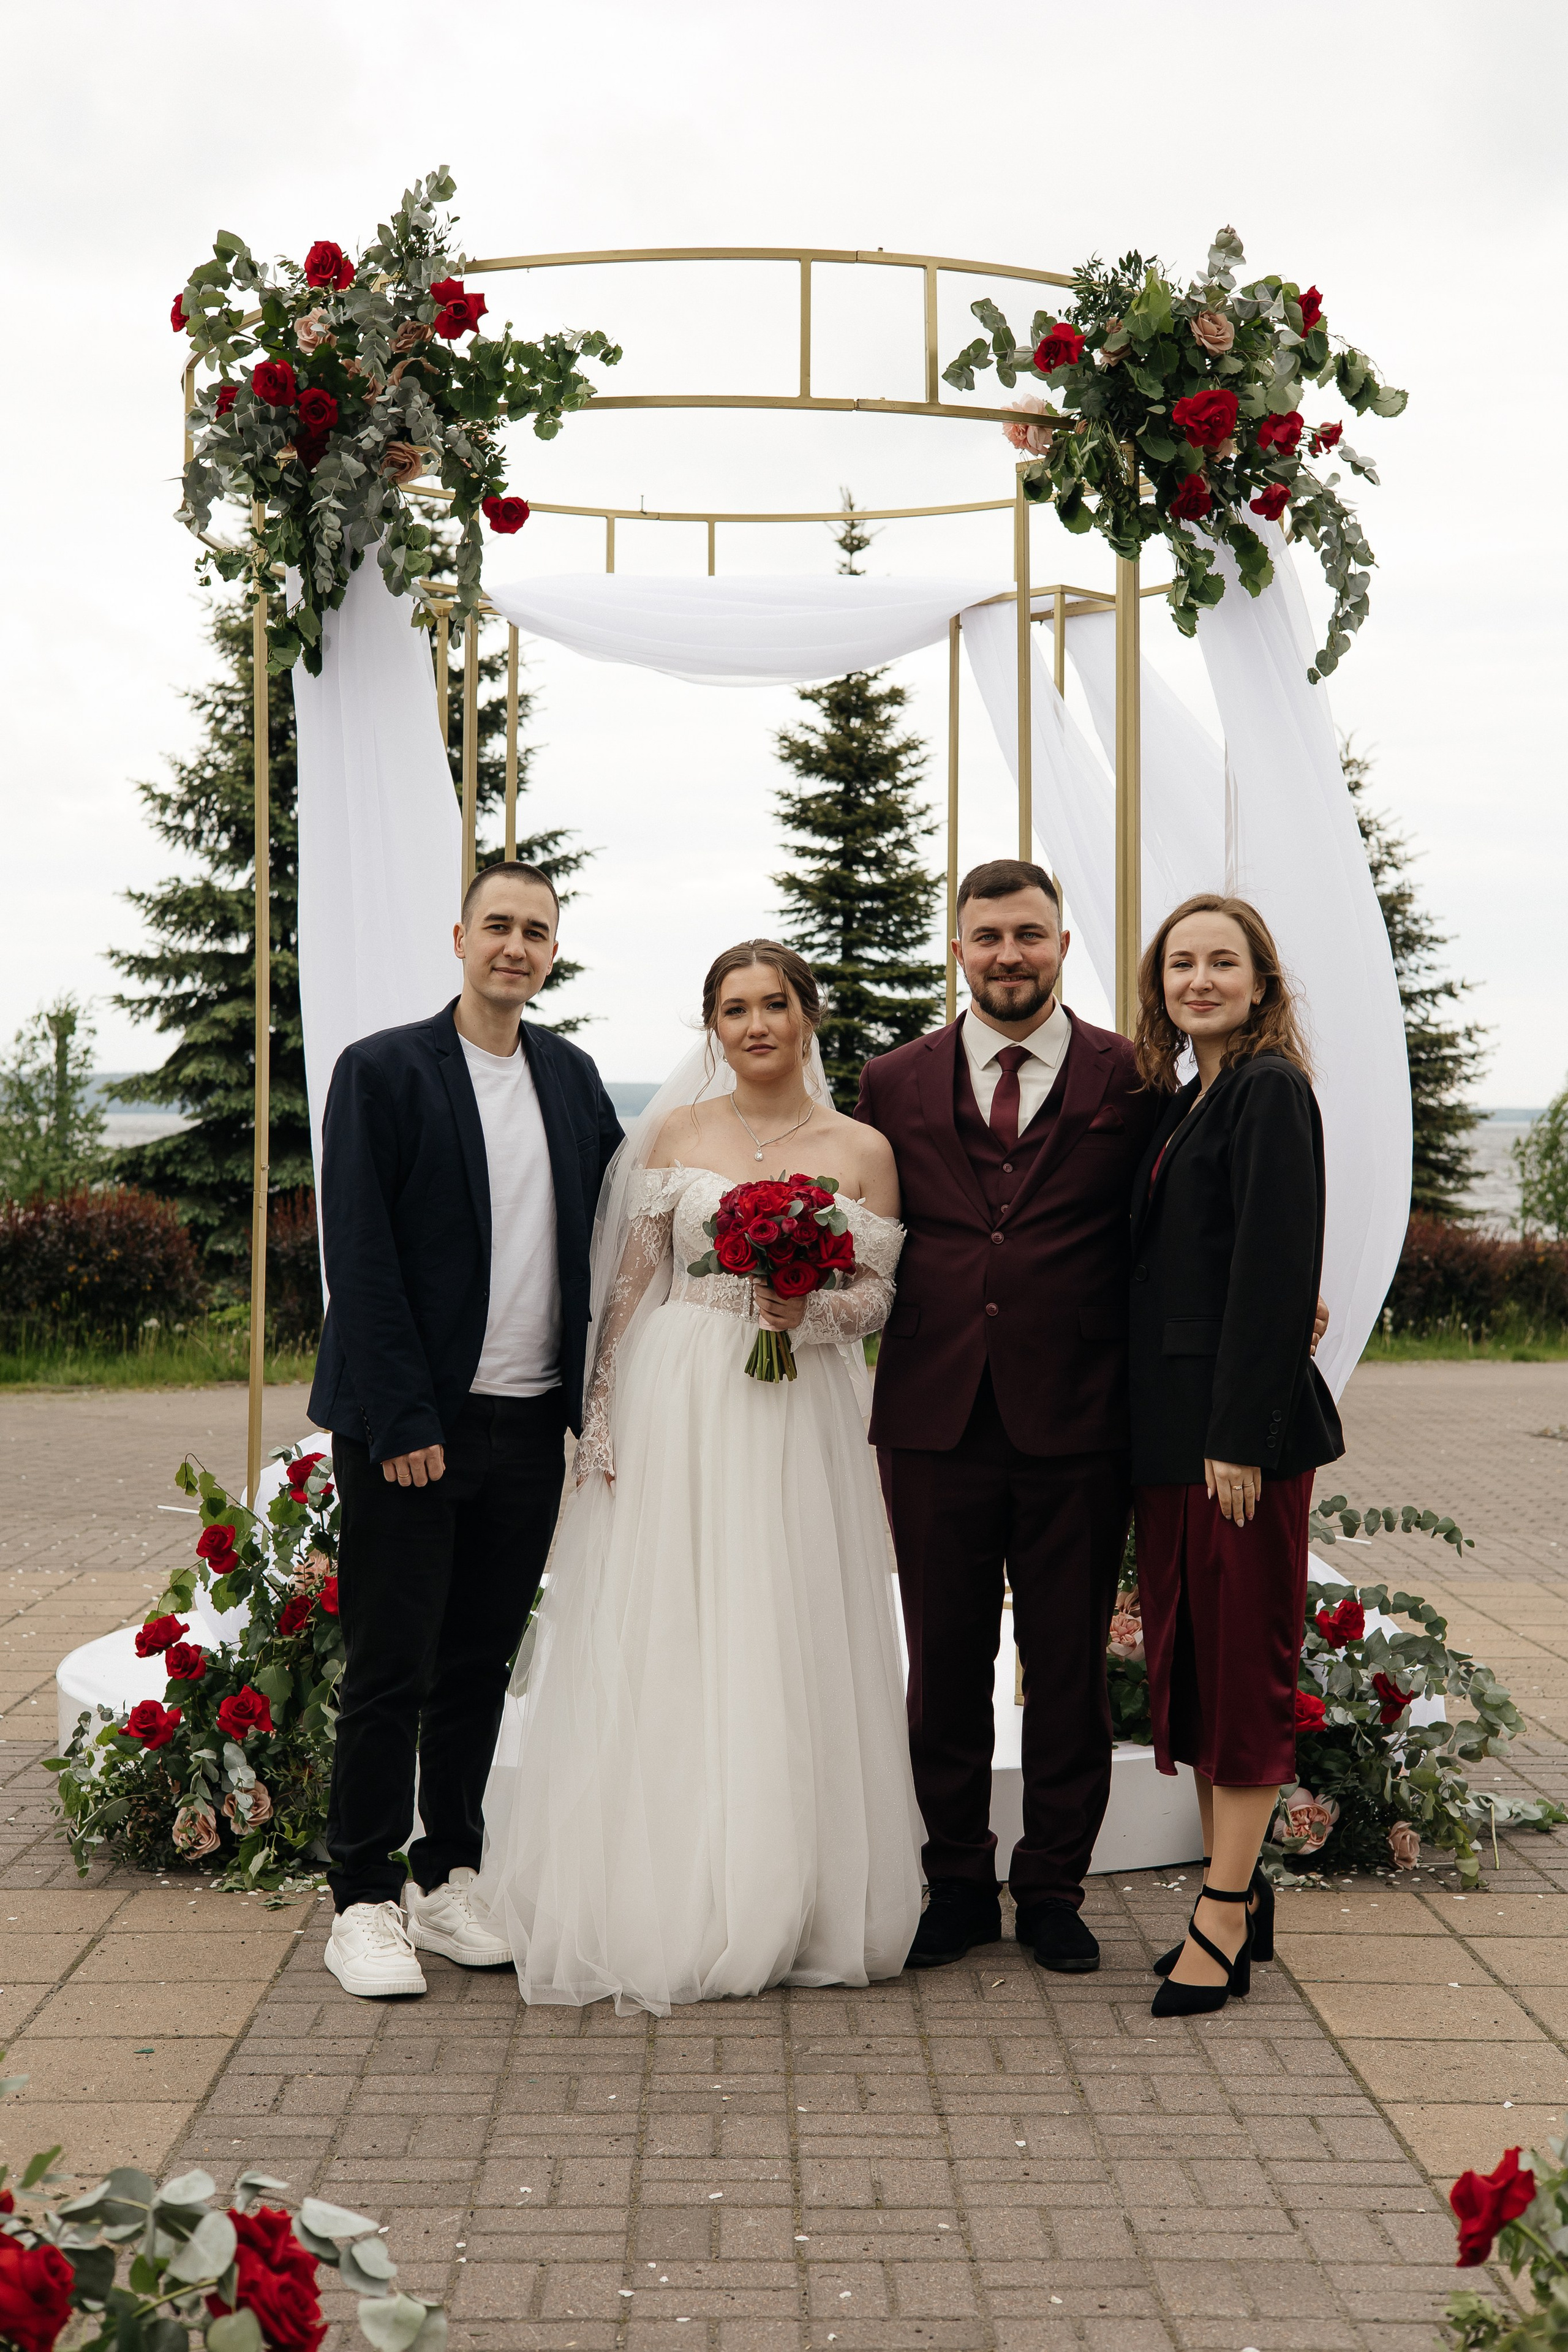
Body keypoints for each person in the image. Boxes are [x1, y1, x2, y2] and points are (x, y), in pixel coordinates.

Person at [475, 941, 922, 2015]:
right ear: (712, 1027)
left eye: (776, 1004)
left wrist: (806, 1309)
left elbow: (879, 1299)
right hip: (677, 1398)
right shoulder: (674, 1134)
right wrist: (600, 1420)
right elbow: (630, 1287)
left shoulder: (862, 1148)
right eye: (735, 1009)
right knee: (675, 1624)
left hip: (798, 1406)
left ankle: (789, 1889)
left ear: (808, 1016)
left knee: (784, 1621)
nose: (757, 1024)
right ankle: (666, 1883)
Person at [308, 862, 623, 1999]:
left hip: (530, 1422)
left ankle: (448, 1875)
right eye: (499, 925)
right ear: (459, 936)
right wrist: (399, 1417)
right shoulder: (385, 1070)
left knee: (478, 1663)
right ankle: (359, 1899)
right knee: (391, 1663)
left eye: (537, 932)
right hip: (415, 1426)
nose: (516, 947)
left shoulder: (573, 1076)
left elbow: (609, 1233)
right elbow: (362, 1255)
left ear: (552, 953)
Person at [856, 859, 1161, 1976]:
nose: (1008, 955)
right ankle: (954, 1882)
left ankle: (1053, 1889)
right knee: (941, 1663)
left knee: (1068, 1663)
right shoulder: (892, 1081)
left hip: (1081, 1415)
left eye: (1029, 934)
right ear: (958, 949)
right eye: (987, 936)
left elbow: (1174, 1220)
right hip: (933, 1413)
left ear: (1063, 944)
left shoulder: (1133, 1076)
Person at [1128, 893, 1344, 2020]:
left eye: (1224, 962)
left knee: (1246, 1673)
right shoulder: (1183, 1102)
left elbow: (1274, 1267)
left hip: (1231, 1446)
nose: (1199, 980)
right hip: (1168, 1437)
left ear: (1262, 983)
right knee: (1200, 1672)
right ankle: (1239, 1895)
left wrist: (1239, 1437)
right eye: (1181, 964)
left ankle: (1219, 1910)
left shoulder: (1269, 1092)